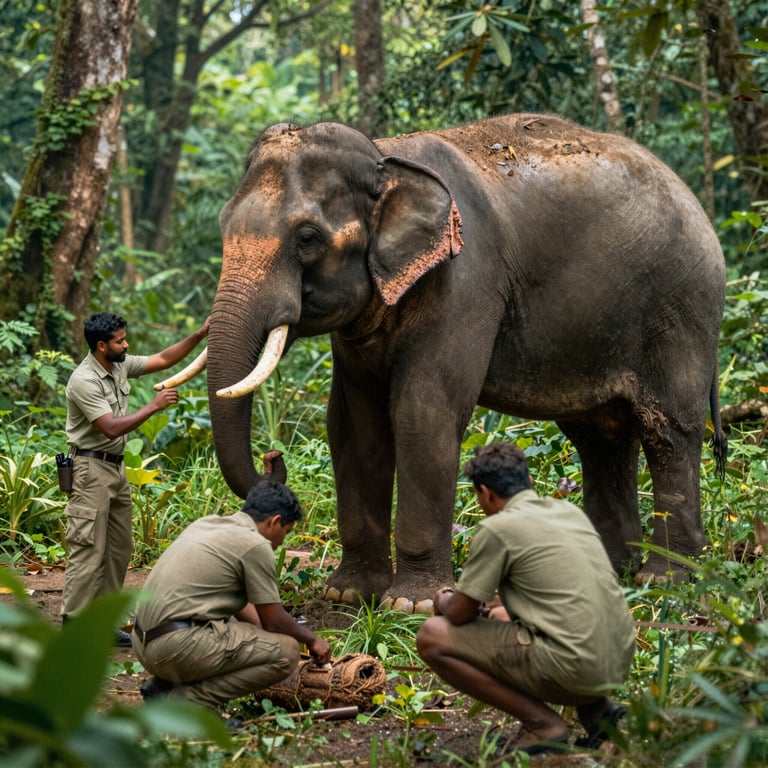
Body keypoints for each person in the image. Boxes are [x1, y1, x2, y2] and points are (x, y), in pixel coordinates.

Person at [416, 443, 636, 755]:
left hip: (574, 665)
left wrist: (446, 597)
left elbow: (460, 615)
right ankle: (600, 715)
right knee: (546, 626)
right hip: (617, 658)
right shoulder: (569, 512)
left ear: (486, 493)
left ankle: (542, 725)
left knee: (432, 636)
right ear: (529, 481)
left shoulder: (498, 528)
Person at [61, 312, 210, 645]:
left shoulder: (118, 365)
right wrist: (154, 407)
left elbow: (163, 358)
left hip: (115, 469)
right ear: (102, 346)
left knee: (119, 547)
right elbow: (111, 426)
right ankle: (74, 624)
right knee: (87, 549)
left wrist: (200, 334)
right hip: (89, 471)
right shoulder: (84, 380)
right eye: (120, 341)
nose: (126, 345)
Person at [133, 480, 332, 719]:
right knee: (286, 652)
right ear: (275, 521)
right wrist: (313, 642)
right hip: (176, 648)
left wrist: (263, 639)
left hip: (144, 643)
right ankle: (188, 703)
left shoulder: (208, 524)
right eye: (286, 532)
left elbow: (250, 614)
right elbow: (274, 622)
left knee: (240, 629)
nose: (281, 543)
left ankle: (163, 686)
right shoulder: (256, 545)